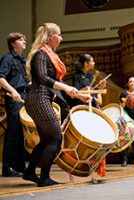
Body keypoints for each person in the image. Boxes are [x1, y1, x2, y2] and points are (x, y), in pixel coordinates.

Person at [22, 22, 91, 187]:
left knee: (46, 139)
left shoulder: (49, 55)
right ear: (50, 36)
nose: (61, 38)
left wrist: (79, 96)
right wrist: (67, 86)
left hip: (40, 99)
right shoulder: (41, 55)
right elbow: (44, 79)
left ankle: (30, 172)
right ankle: (44, 178)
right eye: (59, 34)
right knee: (55, 138)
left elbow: (55, 85)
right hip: (38, 99)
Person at [0, 32, 29, 177]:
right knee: (12, 132)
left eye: (24, 39)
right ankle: (7, 167)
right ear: (13, 43)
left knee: (20, 132)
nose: (24, 41)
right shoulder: (7, 58)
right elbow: (1, 78)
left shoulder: (21, 60)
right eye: (20, 39)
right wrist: (12, 90)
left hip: (23, 97)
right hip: (13, 97)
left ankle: (19, 166)